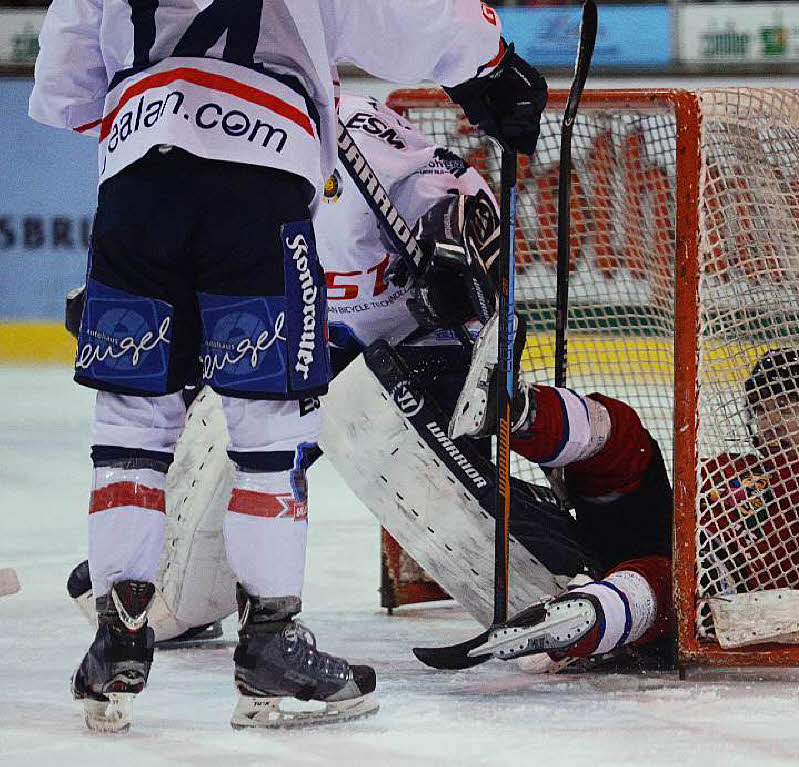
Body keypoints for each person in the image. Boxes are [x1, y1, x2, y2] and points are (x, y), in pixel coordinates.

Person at [31, 0, 546, 732]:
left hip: (134, 180)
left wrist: (163, 112)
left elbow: (67, 81)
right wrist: (488, 62)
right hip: (257, 170)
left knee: (130, 423)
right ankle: (271, 641)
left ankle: (117, 638)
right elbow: (405, 13)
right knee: (270, 428)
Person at [458, 344, 799, 667]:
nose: (775, 418)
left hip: (712, 599)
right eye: (766, 406)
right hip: (654, 546)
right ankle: (521, 409)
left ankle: (582, 619)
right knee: (630, 441)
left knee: (666, 580)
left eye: (793, 406)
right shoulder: (725, 464)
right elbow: (656, 508)